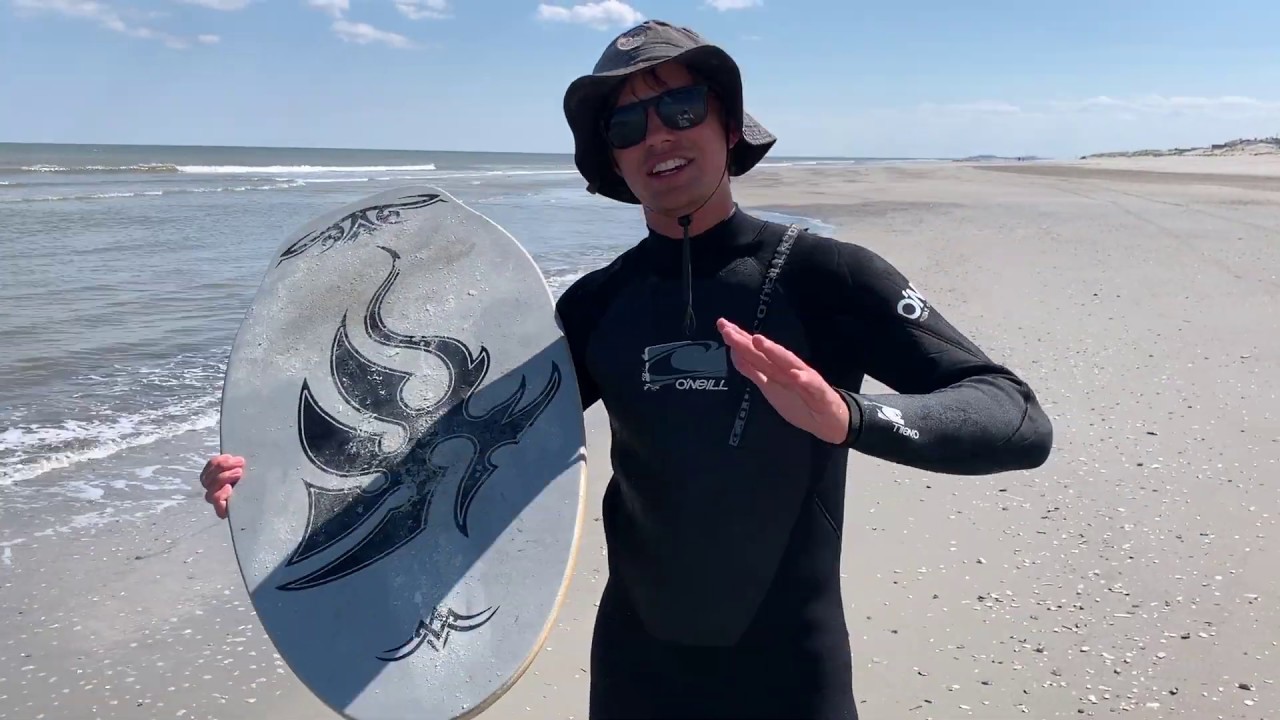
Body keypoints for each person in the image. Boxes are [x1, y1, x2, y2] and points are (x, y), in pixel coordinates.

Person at [200, 19, 1054, 720]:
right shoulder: (598, 305)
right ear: (610, 158)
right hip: (637, 673)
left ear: (727, 125)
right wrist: (269, 481)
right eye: (626, 125)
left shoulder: (826, 277)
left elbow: (1012, 413)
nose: (657, 137)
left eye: (680, 107)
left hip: (790, 671)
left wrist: (847, 417)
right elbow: (457, 449)